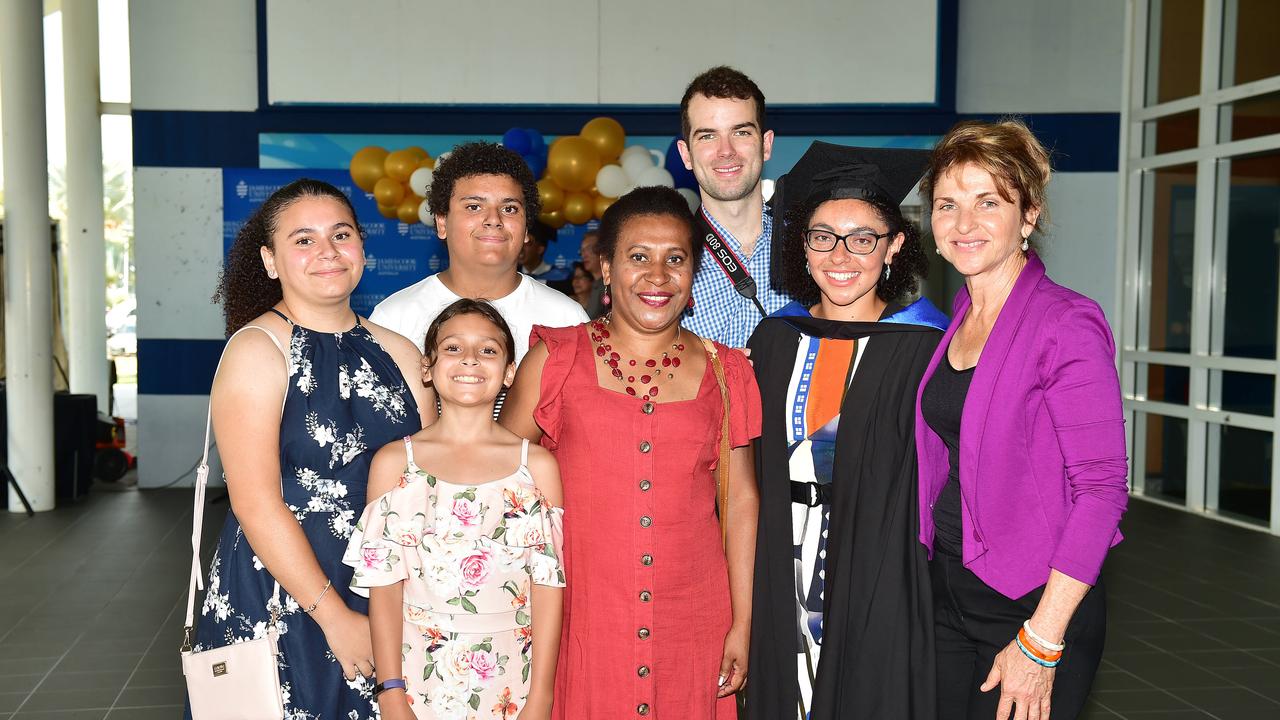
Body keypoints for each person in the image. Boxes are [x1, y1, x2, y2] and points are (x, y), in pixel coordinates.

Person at [500, 186, 762, 719]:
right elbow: (499, 485)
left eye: (676, 259)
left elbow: (741, 503)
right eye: (638, 257)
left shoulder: (728, 372)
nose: (657, 275)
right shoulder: (555, 361)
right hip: (580, 619)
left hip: (692, 623)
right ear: (605, 265)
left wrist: (741, 623)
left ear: (696, 272)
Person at [190, 179, 431, 719]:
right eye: (303, 240)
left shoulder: (400, 353)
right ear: (270, 261)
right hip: (283, 594)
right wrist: (335, 617)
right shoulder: (257, 350)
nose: (327, 252)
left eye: (340, 234)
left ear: (362, 249)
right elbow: (253, 502)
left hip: (386, 592)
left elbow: (428, 487)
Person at [917, 120, 1128, 720]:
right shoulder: (960, 312)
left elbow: (1102, 491)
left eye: (989, 202)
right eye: (947, 204)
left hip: (1031, 605)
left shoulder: (1066, 323)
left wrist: (1041, 640)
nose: (964, 223)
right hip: (950, 596)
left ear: (1028, 215)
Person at [746, 143, 948, 720]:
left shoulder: (924, 348)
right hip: (778, 558)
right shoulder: (775, 340)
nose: (841, 254)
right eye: (822, 236)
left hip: (879, 564)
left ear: (895, 247)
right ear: (802, 247)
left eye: (863, 237)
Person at [344, 299, 565, 720]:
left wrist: (541, 696)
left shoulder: (537, 466)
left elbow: (548, 589)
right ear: (428, 367)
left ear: (510, 372)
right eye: (452, 348)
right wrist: (390, 690)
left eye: (488, 350)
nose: (469, 360)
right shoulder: (394, 463)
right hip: (417, 679)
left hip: (510, 678)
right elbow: (384, 588)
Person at [371, 143, 587, 364]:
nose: (494, 219)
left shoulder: (566, 319)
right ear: (442, 222)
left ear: (526, 229)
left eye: (509, 209)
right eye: (474, 206)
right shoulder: (394, 319)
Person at [676, 66, 791, 347]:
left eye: (740, 132)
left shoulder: (811, 250)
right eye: (707, 136)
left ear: (766, 145)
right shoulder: (668, 262)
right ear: (686, 154)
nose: (726, 150)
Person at [522, 219, 572, 292]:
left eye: (528, 243)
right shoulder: (509, 276)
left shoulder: (559, 277)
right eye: (521, 241)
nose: (521, 247)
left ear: (540, 249)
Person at [578, 229, 607, 318]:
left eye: (589, 249)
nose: (584, 255)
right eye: (582, 250)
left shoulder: (611, 286)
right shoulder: (596, 285)